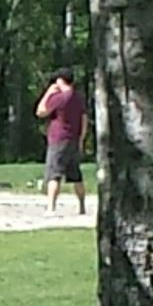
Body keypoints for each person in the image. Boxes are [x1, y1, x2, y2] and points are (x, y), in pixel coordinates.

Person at [34, 67, 88, 215]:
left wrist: (48, 93)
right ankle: (82, 207)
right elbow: (84, 119)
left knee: (54, 173)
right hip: (74, 139)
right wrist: (81, 138)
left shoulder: (59, 98)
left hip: (58, 139)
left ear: (60, 81)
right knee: (76, 174)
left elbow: (40, 111)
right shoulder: (78, 97)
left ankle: (51, 207)